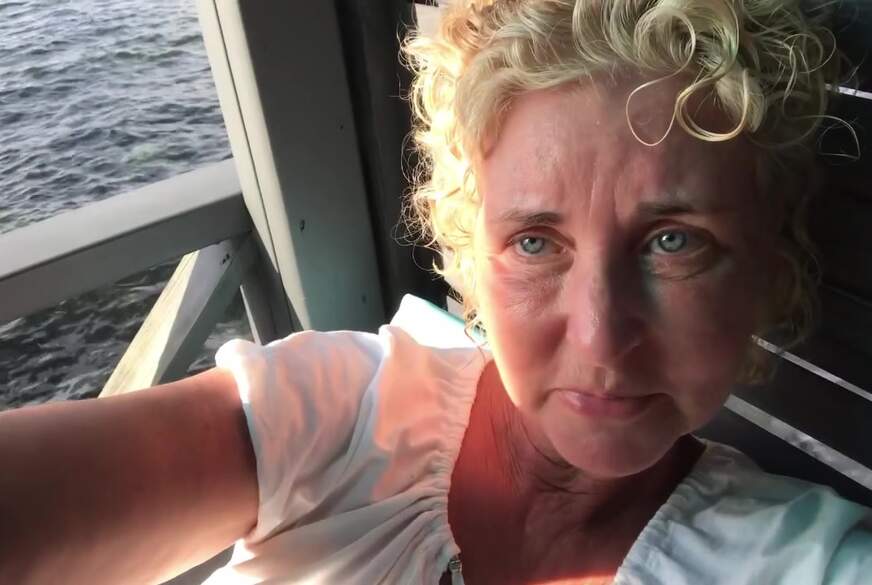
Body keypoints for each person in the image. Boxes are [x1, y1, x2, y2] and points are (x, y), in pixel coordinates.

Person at [1, 0, 870, 583]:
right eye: (535, 242)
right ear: (470, 259)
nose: (602, 338)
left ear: (769, 274)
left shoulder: (803, 560)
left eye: (673, 241)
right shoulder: (346, 416)